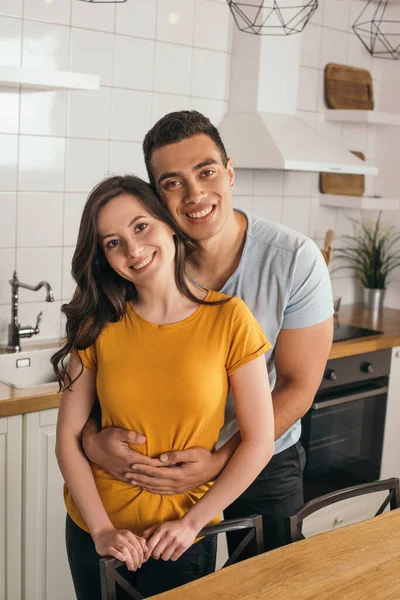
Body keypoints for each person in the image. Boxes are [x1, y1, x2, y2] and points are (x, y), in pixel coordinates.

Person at [82, 111, 334, 555]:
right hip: (160, 477)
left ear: (230, 171)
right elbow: (102, 378)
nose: (195, 193)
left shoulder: (295, 258)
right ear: (157, 196)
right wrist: (92, 441)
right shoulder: (144, 262)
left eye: (207, 171)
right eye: (173, 182)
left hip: (264, 460)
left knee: (269, 581)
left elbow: (298, 386)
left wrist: (220, 461)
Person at [53, 174, 275, 600]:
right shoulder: (97, 322)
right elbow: (67, 436)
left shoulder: (230, 318)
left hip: (182, 537)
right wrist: (101, 531)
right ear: (102, 256)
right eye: (112, 242)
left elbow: (259, 441)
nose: (133, 250)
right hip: (96, 533)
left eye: (141, 227)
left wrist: (192, 524)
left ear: (169, 224)